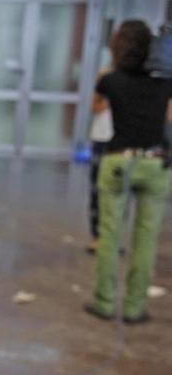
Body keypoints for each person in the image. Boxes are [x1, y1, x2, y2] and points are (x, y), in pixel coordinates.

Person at [85, 20, 172, 324]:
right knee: (146, 239)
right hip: (156, 162)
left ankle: (104, 302)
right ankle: (135, 308)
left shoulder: (110, 80)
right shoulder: (165, 82)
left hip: (119, 159)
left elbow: (97, 104)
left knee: (110, 235)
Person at [86, 69, 113, 254]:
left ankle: (111, 236)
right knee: (97, 190)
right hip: (101, 139)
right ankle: (97, 236)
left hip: (120, 142)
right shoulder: (106, 77)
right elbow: (95, 107)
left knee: (116, 193)